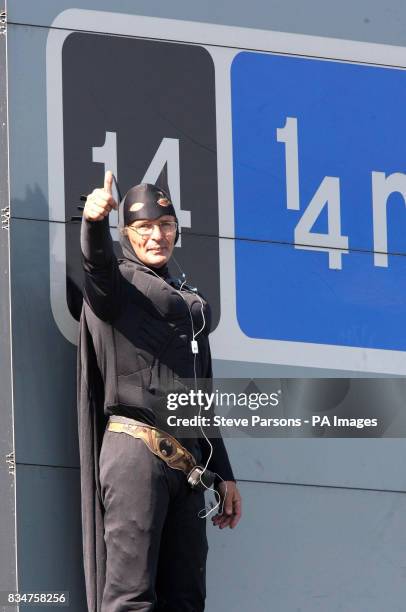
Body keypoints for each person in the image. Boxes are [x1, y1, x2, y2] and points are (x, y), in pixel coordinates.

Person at [77, 169, 242, 612]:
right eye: (144, 227)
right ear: (127, 234)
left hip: (187, 467)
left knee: (187, 600)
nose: (157, 236)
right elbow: (96, 267)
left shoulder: (188, 300)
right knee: (131, 598)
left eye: (165, 226)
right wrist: (93, 224)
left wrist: (223, 473)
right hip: (136, 454)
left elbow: (200, 397)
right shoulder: (118, 285)